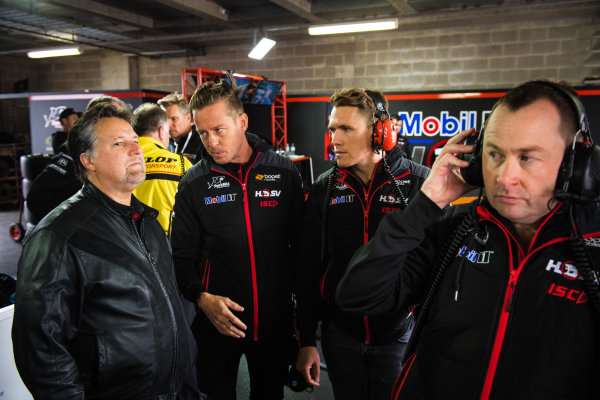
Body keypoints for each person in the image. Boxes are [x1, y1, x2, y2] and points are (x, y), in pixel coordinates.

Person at [336, 79, 600, 399]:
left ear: (576, 163)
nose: (503, 177)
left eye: (527, 157)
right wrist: (427, 204)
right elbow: (358, 297)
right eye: (494, 154)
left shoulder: (592, 248)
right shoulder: (455, 225)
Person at [12, 103, 197, 399]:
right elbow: (41, 351)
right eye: (119, 143)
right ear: (88, 160)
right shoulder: (58, 237)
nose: (136, 149)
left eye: (134, 140)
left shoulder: (147, 222)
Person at [171, 75, 304, 400]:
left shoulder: (285, 173)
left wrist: (306, 328)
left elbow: (303, 254)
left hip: (274, 323)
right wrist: (202, 298)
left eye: (219, 130)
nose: (211, 141)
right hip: (216, 324)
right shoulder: (193, 183)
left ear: (242, 121)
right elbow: (181, 258)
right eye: (202, 132)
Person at [294, 89, 429, 400]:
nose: (335, 140)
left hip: (399, 335)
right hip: (339, 336)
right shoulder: (324, 189)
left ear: (380, 131)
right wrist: (306, 340)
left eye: (346, 129)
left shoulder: (421, 184)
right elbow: (308, 267)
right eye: (332, 129)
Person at [132, 102, 192, 236]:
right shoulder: (181, 163)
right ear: (161, 131)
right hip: (170, 244)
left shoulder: (121, 162)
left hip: (129, 244)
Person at [158, 92, 204, 164]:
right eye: (165, 119)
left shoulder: (202, 141)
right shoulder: (163, 143)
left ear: (188, 117)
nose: (168, 125)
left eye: (174, 119)